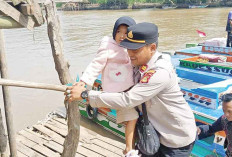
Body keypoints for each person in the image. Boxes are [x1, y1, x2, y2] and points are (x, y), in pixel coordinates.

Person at [65, 22, 197, 157]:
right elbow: (102, 63)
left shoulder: (159, 72)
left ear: (152, 48)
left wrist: (85, 94)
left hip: (176, 138)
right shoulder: (140, 63)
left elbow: (127, 99)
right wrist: (84, 81)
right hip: (156, 131)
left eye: (135, 50)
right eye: (128, 49)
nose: (129, 54)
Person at [80, 16, 138, 156]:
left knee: (137, 117)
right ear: (114, 33)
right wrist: (83, 82)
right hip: (116, 92)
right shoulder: (108, 47)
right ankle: (129, 149)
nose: (122, 36)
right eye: (119, 32)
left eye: (126, 32)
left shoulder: (133, 47)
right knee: (132, 117)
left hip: (132, 89)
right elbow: (96, 65)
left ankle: (134, 146)